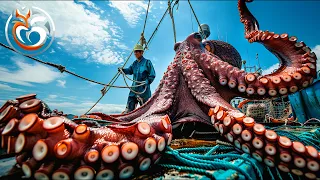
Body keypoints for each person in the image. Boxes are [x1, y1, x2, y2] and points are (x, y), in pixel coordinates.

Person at [119, 44, 156, 113]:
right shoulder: (134, 64)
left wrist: (147, 81)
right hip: (134, 89)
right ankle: (126, 120)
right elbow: (129, 70)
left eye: (137, 51)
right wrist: (123, 70)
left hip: (144, 89)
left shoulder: (147, 62)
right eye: (135, 52)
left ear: (142, 52)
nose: (135, 53)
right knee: (129, 108)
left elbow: (152, 74)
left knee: (145, 110)